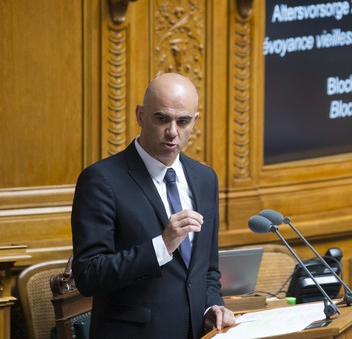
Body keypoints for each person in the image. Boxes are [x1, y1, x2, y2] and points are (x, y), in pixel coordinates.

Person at [71, 73, 235, 338]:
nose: (172, 132)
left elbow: (208, 270)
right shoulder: (102, 180)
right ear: (140, 116)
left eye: (182, 122)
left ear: (195, 122)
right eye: (162, 119)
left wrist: (211, 307)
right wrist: (162, 245)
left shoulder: (205, 179)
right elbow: (89, 275)